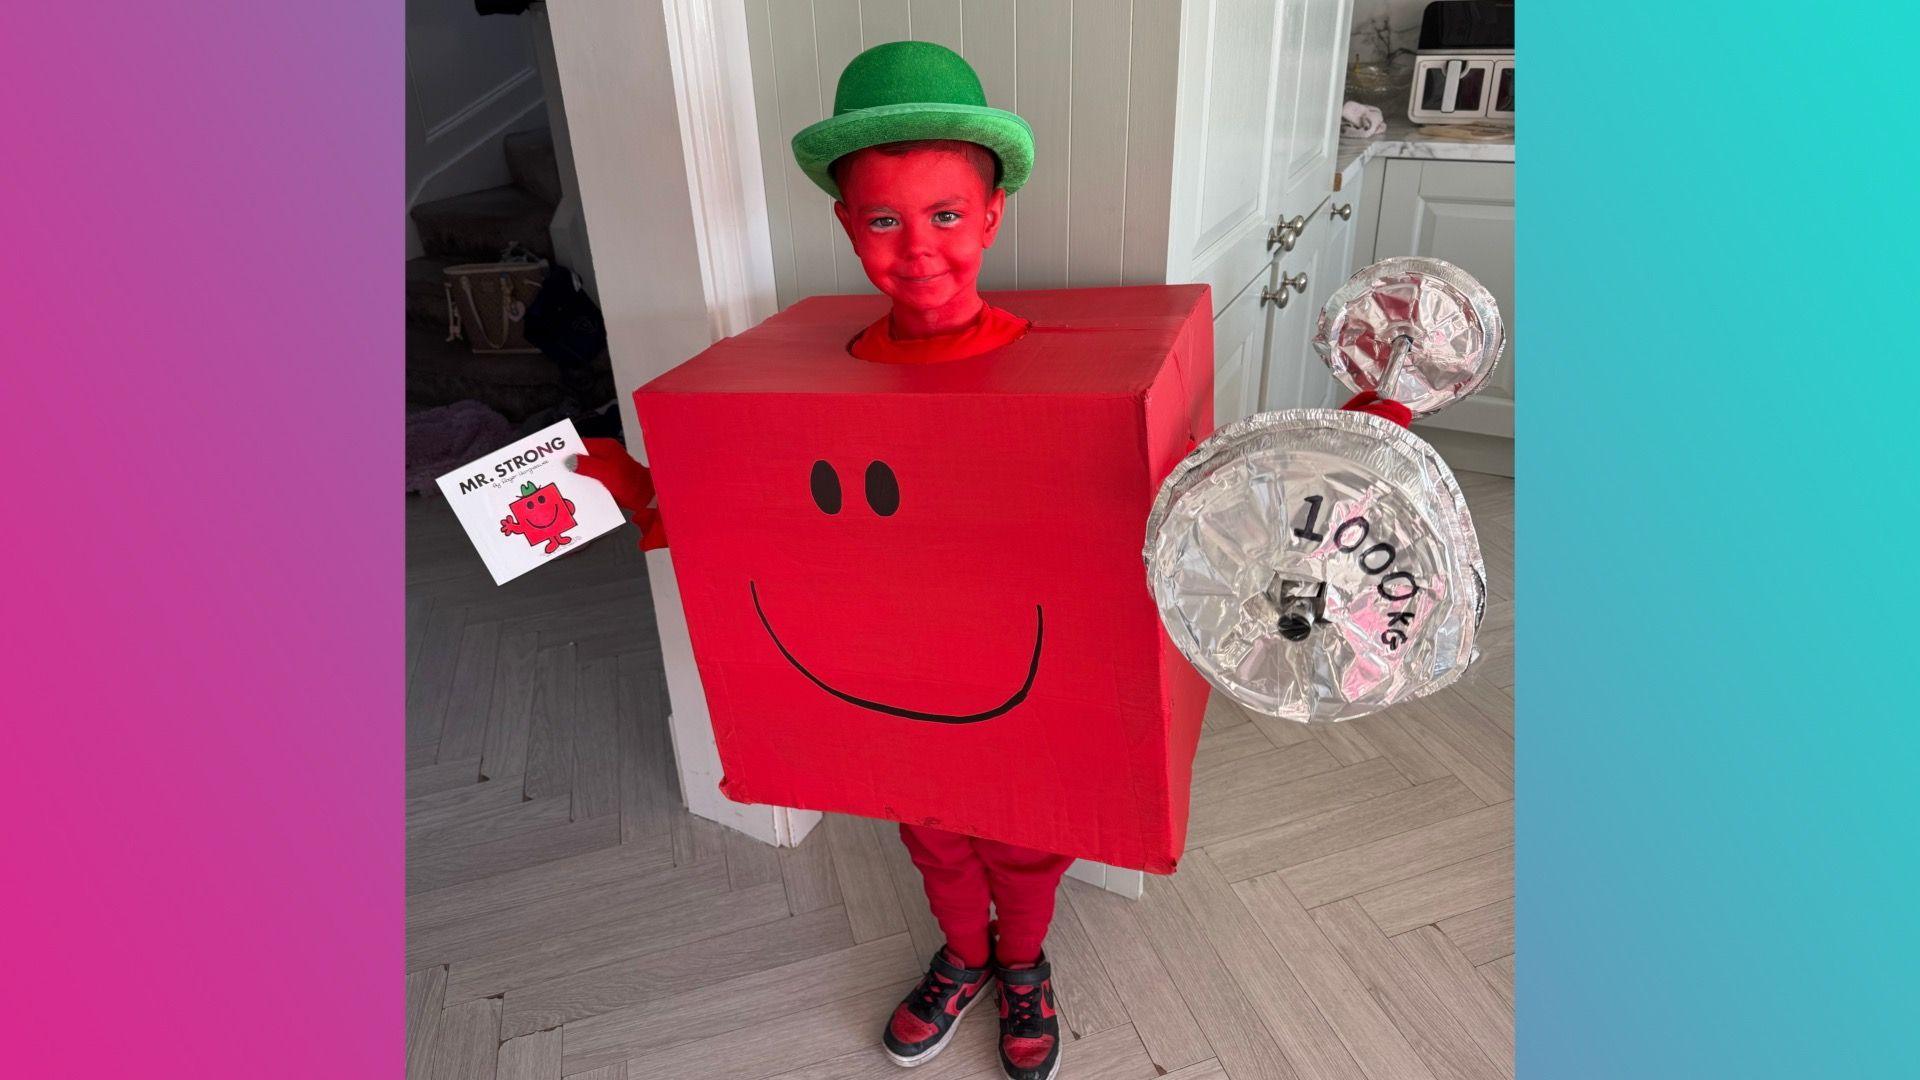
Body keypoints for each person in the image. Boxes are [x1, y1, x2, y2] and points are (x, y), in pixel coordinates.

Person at [577, 42, 1069, 1080]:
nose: (918, 249)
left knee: (1026, 833)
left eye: (946, 215)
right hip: (892, 662)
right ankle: (965, 956)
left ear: (991, 217)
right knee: (930, 826)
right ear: (847, 225)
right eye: (884, 221)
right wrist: (638, 491)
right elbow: (752, 527)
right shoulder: (826, 378)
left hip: (1004, 656)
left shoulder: (1058, 373)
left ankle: (1024, 964)